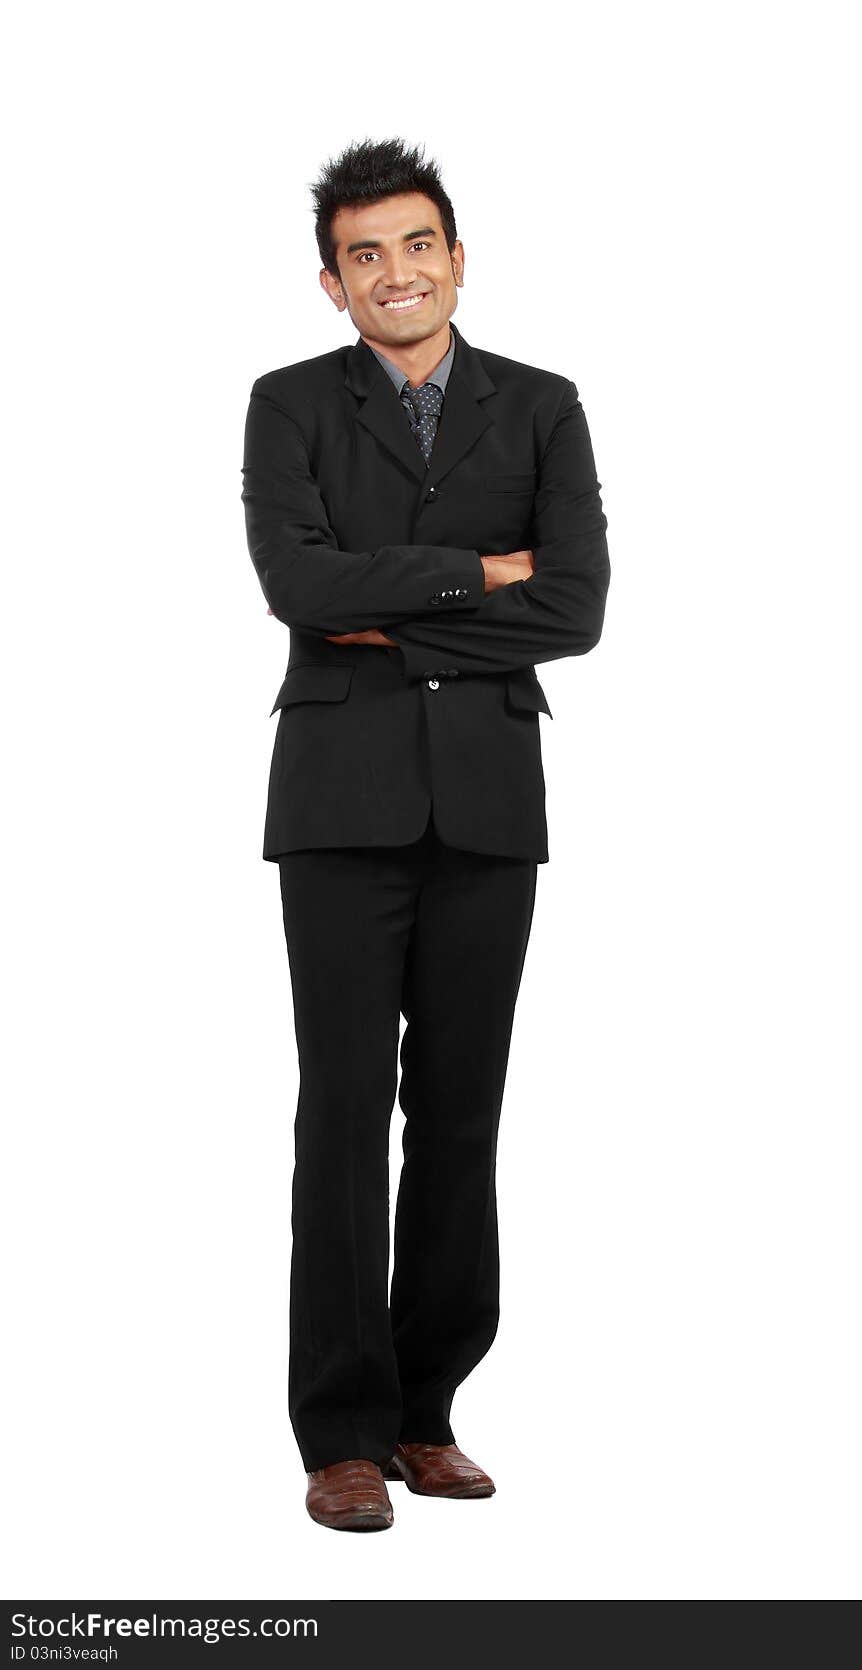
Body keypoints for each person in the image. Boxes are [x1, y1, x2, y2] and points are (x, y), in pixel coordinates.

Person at [241, 136, 610, 1532]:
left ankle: (426, 1410)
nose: (393, 272)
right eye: (362, 255)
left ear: (456, 255)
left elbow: (573, 607)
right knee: (339, 1115)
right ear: (331, 284)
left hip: (488, 802)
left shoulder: (542, 405)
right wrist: (475, 570)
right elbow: (293, 580)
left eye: (415, 245)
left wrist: (382, 600)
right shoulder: (286, 405)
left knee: (458, 1116)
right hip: (336, 799)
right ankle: (337, 1431)